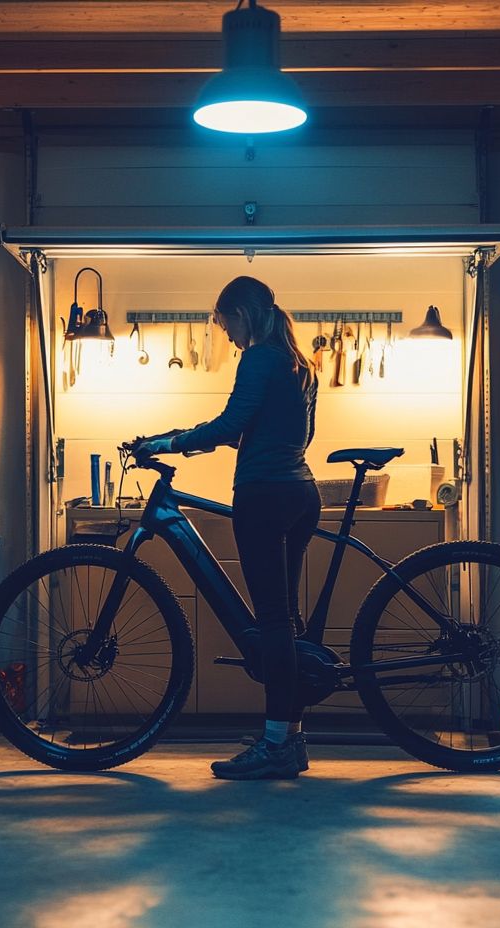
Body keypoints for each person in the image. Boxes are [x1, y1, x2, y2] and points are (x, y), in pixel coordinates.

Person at [135, 276, 320, 780]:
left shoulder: (259, 358)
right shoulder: (301, 364)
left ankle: (277, 743)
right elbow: (292, 433)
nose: (228, 337)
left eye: (225, 324)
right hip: (302, 494)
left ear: (241, 313)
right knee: (286, 621)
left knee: (274, 622)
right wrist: (203, 439)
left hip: (264, 496)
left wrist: (166, 441)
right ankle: (292, 738)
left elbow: (228, 425)